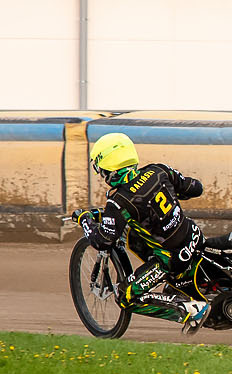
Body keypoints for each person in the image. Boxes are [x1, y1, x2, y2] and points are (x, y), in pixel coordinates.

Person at [88, 131, 212, 330]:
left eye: (102, 171)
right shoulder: (158, 171)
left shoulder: (118, 201)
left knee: (126, 296)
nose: (103, 177)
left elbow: (102, 240)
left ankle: (190, 310)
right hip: (193, 236)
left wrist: (86, 221)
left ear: (110, 169)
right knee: (133, 236)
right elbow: (195, 188)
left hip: (171, 259)